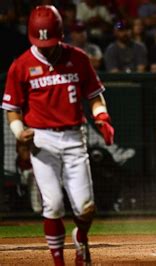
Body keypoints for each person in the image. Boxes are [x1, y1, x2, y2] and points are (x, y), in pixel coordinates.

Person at [1, 6, 114, 265]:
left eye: (49, 41)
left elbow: (95, 96)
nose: (45, 47)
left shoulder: (78, 58)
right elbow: (12, 110)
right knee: (52, 205)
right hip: (42, 141)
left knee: (86, 207)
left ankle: (81, 238)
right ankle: (58, 261)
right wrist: (20, 132)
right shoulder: (21, 65)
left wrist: (102, 117)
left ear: (61, 35)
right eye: (40, 42)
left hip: (75, 137)